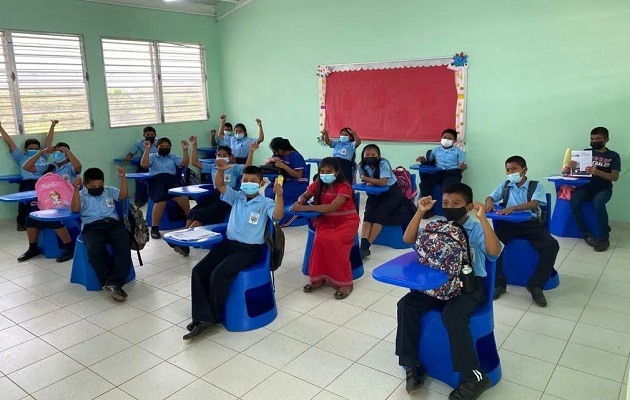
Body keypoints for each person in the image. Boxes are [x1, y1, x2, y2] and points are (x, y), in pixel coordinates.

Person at [397, 184, 502, 399]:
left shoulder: (476, 228)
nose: (450, 207)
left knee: (452, 315)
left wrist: (483, 219)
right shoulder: (437, 226)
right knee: (406, 304)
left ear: (469, 206)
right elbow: (408, 240)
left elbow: (495, 252)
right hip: (439, 287)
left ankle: (474, 377)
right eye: (445, 203)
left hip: (469, 288)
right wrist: (420, 212)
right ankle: (412, 364)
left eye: (456, 203)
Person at [184, 164, 284, 340]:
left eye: (253, 181)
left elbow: (277, 216)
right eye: (245, 180)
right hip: (228, 245)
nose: (248, 183)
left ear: (261, 184)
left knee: (219, 274)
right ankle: (201, 316)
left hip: (249, 250)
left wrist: (279, 195)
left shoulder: (265, 203)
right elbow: (220, 186)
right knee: (199, 271)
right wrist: (221, 170)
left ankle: (211, 318)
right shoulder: (236, 197)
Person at [485, 156, 559, 307]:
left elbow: (535, 203)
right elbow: (490, 197)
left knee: (552, 245)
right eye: (508, 170)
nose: (511, 172)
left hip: (531, 225)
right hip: (509, 226)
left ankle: (536, 285)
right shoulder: (505, 185)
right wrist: (489, 203)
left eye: (514, 169)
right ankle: (499, 283)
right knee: (493, 245)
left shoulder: (535, 186)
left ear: (524, 170)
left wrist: (513, 208)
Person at [168, 137, 256, 257]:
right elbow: (194, 162)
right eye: (219, 154)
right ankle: (183, 237)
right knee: (194, 211)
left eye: (224, 155)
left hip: (228, 196)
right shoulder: (213, 166)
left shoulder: (234, 167)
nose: (221, 157)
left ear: (230, 157)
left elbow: (247, 167)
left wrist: (251, 152)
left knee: (203, 215)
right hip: (214, 194)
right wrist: (194, 145)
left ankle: (185, 243)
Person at [292, 157, 359, 299]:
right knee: (320, 240)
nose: (325, 174)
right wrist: (301, 200)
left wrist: (304, 208)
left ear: (336, 172)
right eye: (322, 171)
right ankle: (318, 278)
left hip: (346, 221)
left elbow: (332, 206)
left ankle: (345, 283)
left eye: (329, 171)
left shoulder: (343, 186)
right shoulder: (318, 184)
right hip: (326, 221)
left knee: (334, 241)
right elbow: (305, 195)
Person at [71, 166, 132, 302]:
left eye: (100, 185)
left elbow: (123, 196)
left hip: (112, 224)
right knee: (94, 248)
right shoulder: (81, 195)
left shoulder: (109, 190)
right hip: (92, 226)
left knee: (123, 243)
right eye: (93, 186)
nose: (98, 188)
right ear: (86, 185)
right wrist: (75, 188)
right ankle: (108, 282)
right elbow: (75, 209)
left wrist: (123, 177)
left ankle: (114, 282)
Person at [18, 142, 83, 263]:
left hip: (67, 202)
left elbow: (78, 167)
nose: (58, 154)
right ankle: (33, 248)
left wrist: (68, 152)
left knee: (54, 219)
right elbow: (27, 167)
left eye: (61, 152)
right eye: (56, 152)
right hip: (48, 202)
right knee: (31, 218)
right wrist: (41, 153)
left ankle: (69, 247)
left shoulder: (70, 167)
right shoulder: (49, 167)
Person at [570, 127, 621, 252]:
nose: (594, 141)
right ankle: (585, 233)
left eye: (598, 139)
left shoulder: (613, 156)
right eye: (592, 138)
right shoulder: (586, 153)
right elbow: (578, 174)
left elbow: (614, 177)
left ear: (606, 139)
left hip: (604, 189)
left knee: (598, 203)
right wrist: (571, 167)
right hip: (586, 188)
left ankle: (604, 238)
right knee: (574, 202)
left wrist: (597, 172)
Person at [0, 119, 56, 230]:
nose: (34, 150)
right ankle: (21, 223)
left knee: (46, 200)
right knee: (25, 203)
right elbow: (10, 143)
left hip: (42, 182)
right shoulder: (21, 157)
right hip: (28, 182)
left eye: (36, 149)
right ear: (26, 149)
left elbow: (47, 143)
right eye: (31, 149)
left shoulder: (43, 157)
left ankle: (45, 220)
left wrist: (52, 126)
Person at [358, 144, 412, 259]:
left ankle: (366, 247)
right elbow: (367, 182)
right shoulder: (361, 165)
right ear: (363, 155)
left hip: (391, 194)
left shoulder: (383, 163)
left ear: (378, 155)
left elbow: (382, 182)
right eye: (367, 155)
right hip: (374, 194)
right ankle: (363, 245)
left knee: (379, 216)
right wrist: (369, 181)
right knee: (368, 215)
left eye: (373, 155)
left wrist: (366, 179)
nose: (369, 157)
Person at [140, 137, 190, 239]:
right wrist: (147, 150)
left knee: (183, 197)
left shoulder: (173, 156)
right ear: (157, 147)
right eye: (161, 146)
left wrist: (185, 150)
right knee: (161, 199)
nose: (164, 148)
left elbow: (184, 163)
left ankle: (189, 219)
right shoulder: (152, 156)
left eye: (167, 146)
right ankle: (155, 228)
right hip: (156, 181)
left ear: (170, 147)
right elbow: (144, 165)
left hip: (171, 181)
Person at [416, 129, 468, 218]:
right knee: (424, 184)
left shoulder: (458, 152)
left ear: (454, 141)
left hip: (452, 173)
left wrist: (462, 167)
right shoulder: (435, 151)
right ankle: (427, 211)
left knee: (448, 189)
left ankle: (450, 212)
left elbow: (464, 167)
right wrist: (422, 160)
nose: (446, 139)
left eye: (449, 138)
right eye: (444, 137)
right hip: (438, 172)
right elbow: (428, 161)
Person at [265, 137, 309, 224]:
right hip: (285, 181)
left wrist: (283, 166)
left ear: (280, 150)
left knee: (280, 193)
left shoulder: (295, 156)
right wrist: (270, 161)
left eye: (275, 151)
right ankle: (271, 213)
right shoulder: (278, 155)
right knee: (269, 189)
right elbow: (267, 163)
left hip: (297, 183)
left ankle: (282, 216)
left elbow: (298, 175)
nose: (274, 153)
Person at [122, 126, 157, 207]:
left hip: (156, 164)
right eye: (148, 134)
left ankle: (154, 197)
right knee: (140, 179)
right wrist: (128, 157)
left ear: (155, 135)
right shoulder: (140, 143)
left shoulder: (159, 142)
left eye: (152, 134)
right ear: (144, 135)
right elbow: (131, 153)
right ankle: (140, 199)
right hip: (144, 164)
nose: (150, 136)